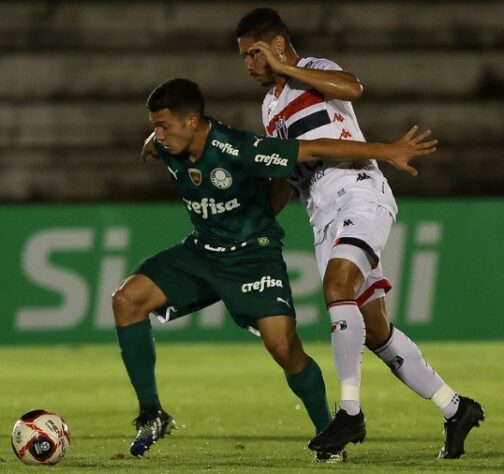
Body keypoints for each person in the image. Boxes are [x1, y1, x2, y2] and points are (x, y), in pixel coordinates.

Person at [120, 78, 435, 460]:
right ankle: (152, 413)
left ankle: (327, 436)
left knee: (284, 347)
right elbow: (156, 144)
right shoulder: (165, 144)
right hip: (202, 251)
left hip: (253, 257)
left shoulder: (237, 148)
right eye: (154, 126)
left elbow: (311, 149)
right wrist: (152, 141)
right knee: (127, 300)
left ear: (191, 121)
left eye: (163, 126)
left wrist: (386, 150)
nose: (158, 134)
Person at [234, 7, 484, 460]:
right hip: (321, 213)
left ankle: (349, 413)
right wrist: (256, 221)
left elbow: (353, 88)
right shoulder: (269, 108)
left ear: (275, 44)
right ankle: (456, 407)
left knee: (336, 288)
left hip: (359, 192)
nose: (247, 66)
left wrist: (286, 66)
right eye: (244, 59)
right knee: (376, 331)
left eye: (252, 55)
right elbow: (287, 173)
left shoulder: (313, 69)